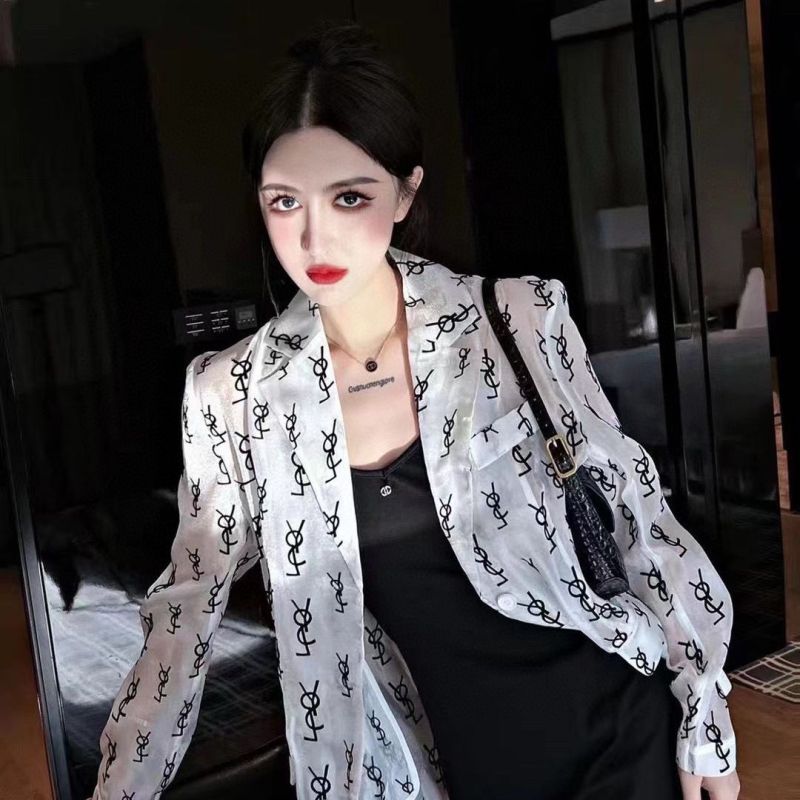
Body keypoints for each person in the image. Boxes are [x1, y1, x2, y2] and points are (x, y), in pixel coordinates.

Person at [90, 19, 741, 800]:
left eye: (350, 196)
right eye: (285, 201)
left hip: (617, 738)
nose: (314, 235)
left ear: (405, 192)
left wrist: (705, 716)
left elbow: (638, 516)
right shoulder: (233, 396)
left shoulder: (516, 320)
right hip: (444, 770)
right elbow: (184, 615)